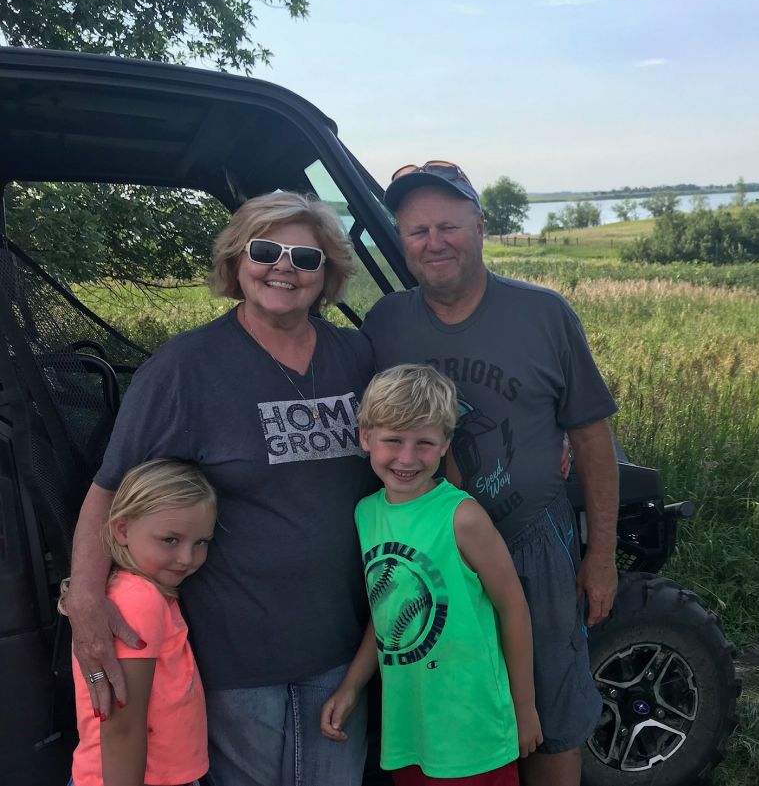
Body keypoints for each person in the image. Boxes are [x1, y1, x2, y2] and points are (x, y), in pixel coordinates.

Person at [65, 192, 375, 786]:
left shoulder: (356, 356)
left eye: (305, 258)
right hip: (235, 658)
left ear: (328, 273)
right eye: (265, 250)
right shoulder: (185, 368)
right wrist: (84, 600)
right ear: (237, 261)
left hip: (342, 647)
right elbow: (110, 490)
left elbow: (413, 443)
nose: (283, 267)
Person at [361, 161, 620, 786]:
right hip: (428, 549)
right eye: (417, 230)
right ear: (401, 240)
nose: (433, 242)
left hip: (534, 539)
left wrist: (601, 556)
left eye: (448, 225)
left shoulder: (543, 314)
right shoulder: (386, 324)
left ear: (480, 226)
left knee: (552, 710)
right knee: (453, 699)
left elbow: (590, 438)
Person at [320, 363, 543, 785]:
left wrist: (525, 705)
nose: (407, 458)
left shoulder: (461, 517)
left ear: (445, 445)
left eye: (424, 443)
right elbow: (385, 613)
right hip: (410, 728)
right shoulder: (367, 514)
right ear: (366, 437)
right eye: (393, 440)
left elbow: (513, 608)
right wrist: (351, 686)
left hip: (472, 728)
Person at [64, 458, 217, 786]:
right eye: (170, 540)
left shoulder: (149, 592)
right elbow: (123, 724)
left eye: (201, 542)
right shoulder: (138, 599)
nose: (187, 558)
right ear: (122, 529)